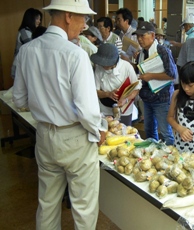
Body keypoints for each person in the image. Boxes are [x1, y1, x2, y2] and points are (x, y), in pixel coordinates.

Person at [12, 0, 107, 229]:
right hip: (75, 137)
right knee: (83, 208)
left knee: (47, 203)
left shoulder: (27, 50)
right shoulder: (75, 55)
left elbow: (19, 100)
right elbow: (87, 110)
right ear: (68, 16)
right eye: (82, 18)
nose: (84, 25)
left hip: (44, 135)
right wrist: (99, 129)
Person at [133, 21, 177, 145]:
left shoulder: (162, 51)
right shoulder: (141, 54)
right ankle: (153, 155)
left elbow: (172, 75)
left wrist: (151, 76)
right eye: (138, 36)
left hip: (162, 99)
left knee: (166, 132)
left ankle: (170, 158)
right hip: (147, 98)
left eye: (143, 36)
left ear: (152, 36)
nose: (140, 39)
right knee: (149, 130)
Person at [91, 43, 141, 126]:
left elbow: (136, 88)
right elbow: (96, 91)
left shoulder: (126, 67)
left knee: (124, 133)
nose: (102, 65)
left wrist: (126, 99)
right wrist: (108, 94)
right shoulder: (99, 68)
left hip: (124, 108)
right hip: (105, 108)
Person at [11, 8, 42, 79]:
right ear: (30, 19)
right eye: (37, 19)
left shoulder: (29, 31)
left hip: (24, 66)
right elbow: (33, 47)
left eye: (40, 19)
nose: (39, 21)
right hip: (20, 66)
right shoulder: (24, 32)